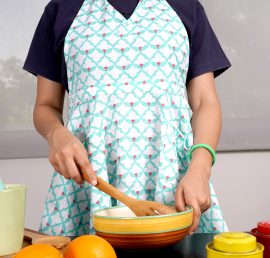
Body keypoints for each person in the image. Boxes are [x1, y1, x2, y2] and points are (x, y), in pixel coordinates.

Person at [23, 0, 231, 236]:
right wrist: (56, 135)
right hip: (90, 181)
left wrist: (200, 169)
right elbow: (45, 105)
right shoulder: (61, 9)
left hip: (175, 183)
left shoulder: (185, 6)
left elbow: (206, 102)